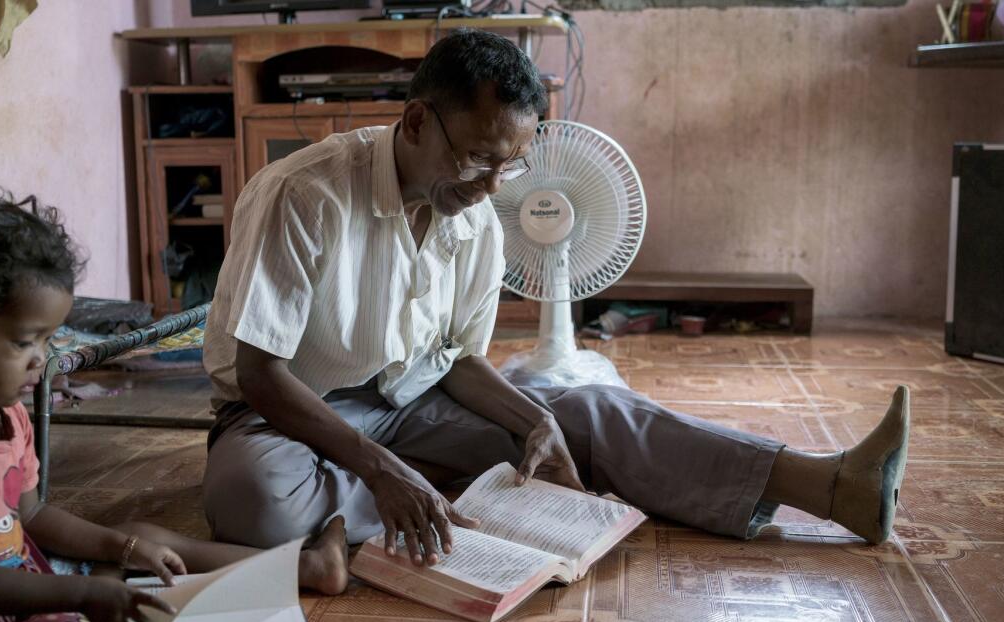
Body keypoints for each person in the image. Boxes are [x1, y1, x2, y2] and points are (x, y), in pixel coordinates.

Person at [201, 29, 910, 568]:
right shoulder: (307, 193)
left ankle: (833, 484)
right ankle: (427, 491)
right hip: (287, 415)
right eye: (478, 158)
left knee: (577, 415)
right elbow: (261, 373)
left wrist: (532, 417)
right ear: (417, 122)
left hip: (408, 400)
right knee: (252, 498)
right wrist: (381, 467)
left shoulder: (474, 216)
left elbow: (452, 359)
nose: (489, 188)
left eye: (509, 166)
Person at [0, 186, 348, 622]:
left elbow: (32, 513)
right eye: (24, 342)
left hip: (28, 573)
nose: (41, 359)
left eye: (48, 339)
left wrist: (123, 551)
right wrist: (82, 592)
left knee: (140, 537)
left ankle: (307, 567)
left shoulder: (7, 413)